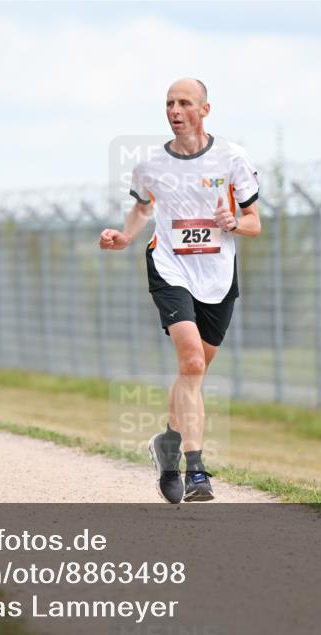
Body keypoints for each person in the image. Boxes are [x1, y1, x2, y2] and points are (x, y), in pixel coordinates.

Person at [100, 79, 261, 503]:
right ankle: (198, 472)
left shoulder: (232, 158)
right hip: (170, 267)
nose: (175, 110)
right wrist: (125, 236)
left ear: (205, 110)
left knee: (194, 373)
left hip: (217, 276)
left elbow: (254, 223)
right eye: (169, 103)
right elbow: (142, 207)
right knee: (190, 361)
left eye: (184, 103)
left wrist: (233, 225)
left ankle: (167, 444)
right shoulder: (150, 164)